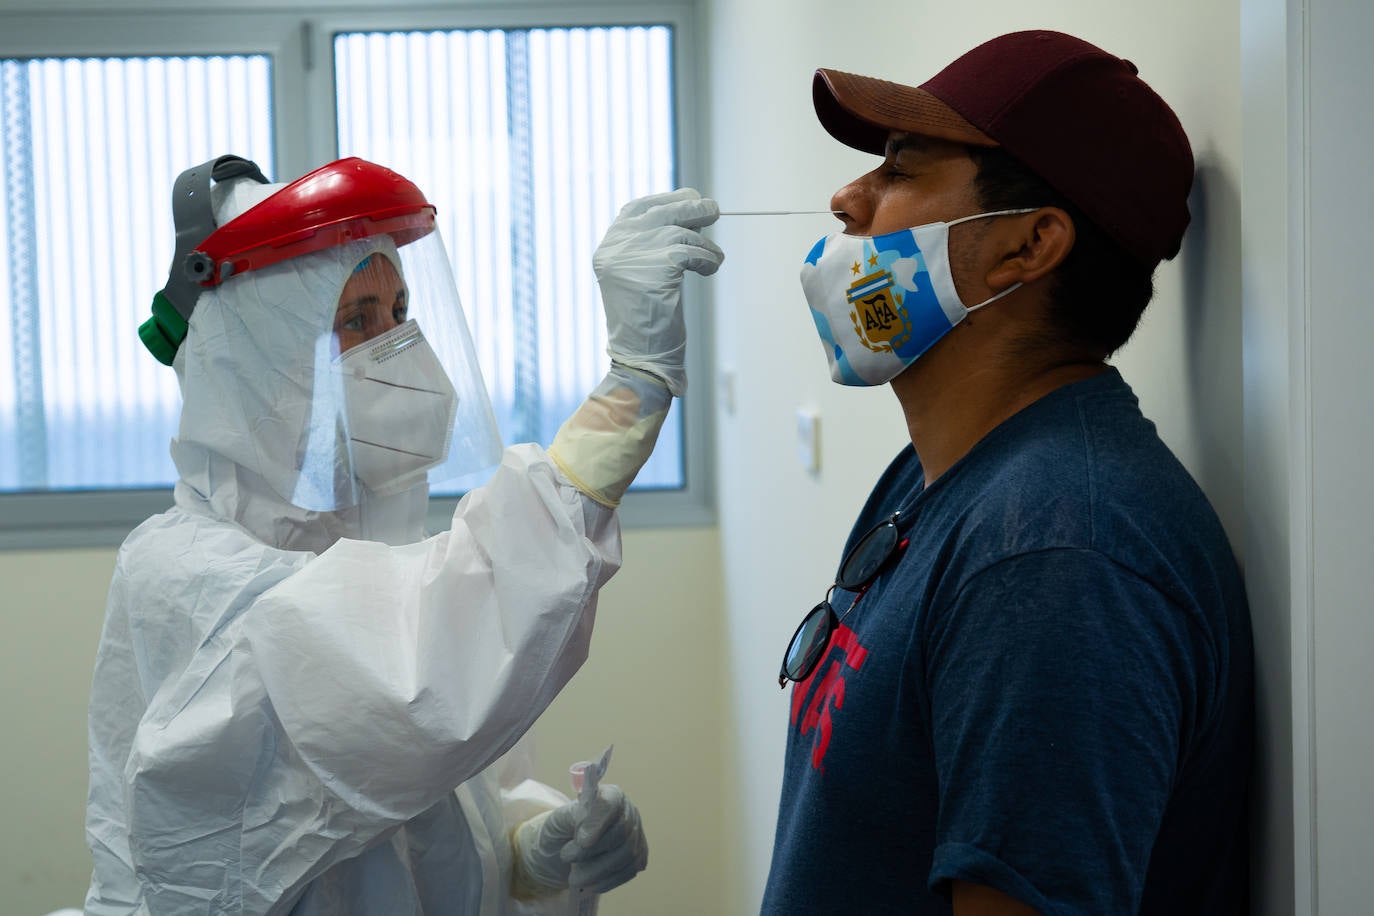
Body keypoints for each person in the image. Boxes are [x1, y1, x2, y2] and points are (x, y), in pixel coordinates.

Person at [86, 154, 723, 914]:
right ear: (260, 363)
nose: (397, 348)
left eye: (398, 313)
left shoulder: (366, 554)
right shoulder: (189, 577)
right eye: (354, 319)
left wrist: (530, 850)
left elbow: (424, 809)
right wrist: (633, 385)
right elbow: (429, 673)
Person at [764, 30, 1252, 915]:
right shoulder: (934, 478)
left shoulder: (1063, 557)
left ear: (1027, 247)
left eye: (901, 168)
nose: (847, 198)